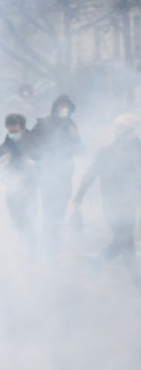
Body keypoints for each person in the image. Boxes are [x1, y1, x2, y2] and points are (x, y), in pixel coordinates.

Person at [72, 115, 141, 282]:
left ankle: (134, 277)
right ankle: (133, 277)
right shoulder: (106, 152)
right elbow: (90, 175)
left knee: (125, 239)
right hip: (111, 202)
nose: (123, 132)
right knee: (124, 239)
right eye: (120, 128)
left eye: (126, 129)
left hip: (127, 202)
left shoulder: (136, 149)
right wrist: (79, 196)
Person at [30, 95, 83, 256]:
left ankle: (51, 245)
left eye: (67, 107)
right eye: (61, 106)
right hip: (47, 177)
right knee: (49, 214)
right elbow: (30, 143)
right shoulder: (43, 124)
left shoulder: (71, 126)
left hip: (64, 178)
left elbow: (80, 151)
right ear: (55, 107)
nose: (64, 109)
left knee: (58, 215)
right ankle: (50, 249)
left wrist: (76, 138)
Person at [0, 114, 37, 240]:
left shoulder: (32, 141)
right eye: (9, 127)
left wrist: (34, 163)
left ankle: (32, 248)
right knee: (16, 220)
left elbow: (47, 161)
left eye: (14, 127)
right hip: (12, 187)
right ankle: (18, 244)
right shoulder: (6, 145)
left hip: (30, 187)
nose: (12, 130)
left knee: (30, 219)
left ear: (21, 126)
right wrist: (1, 161)